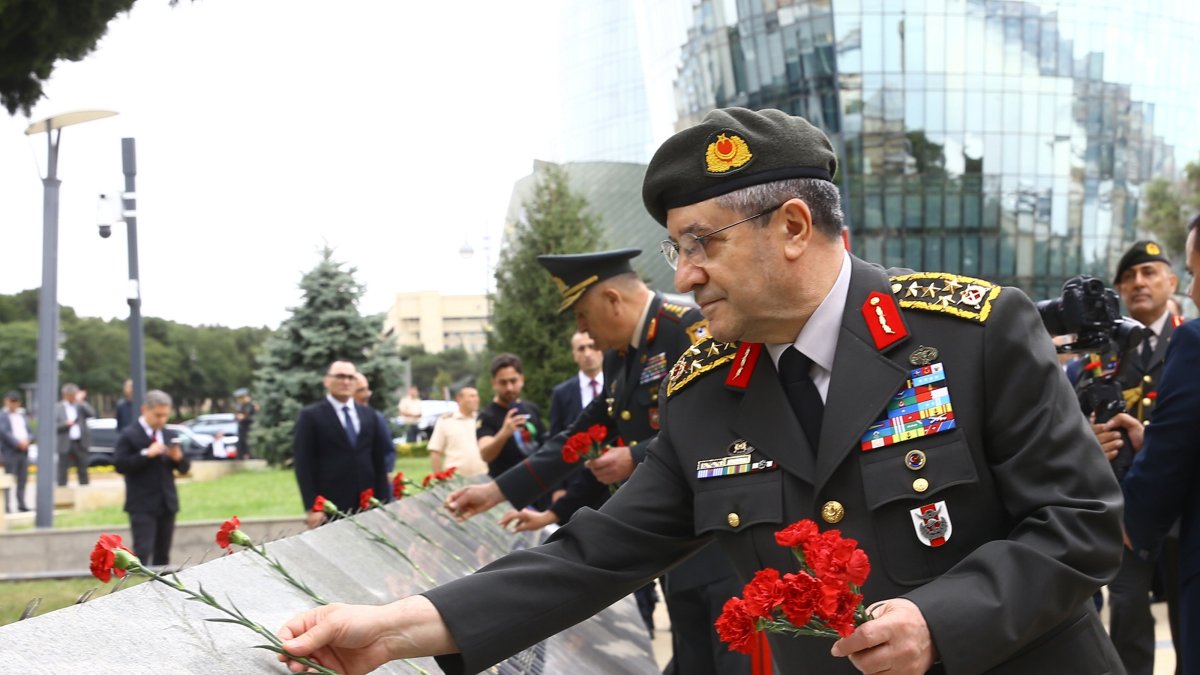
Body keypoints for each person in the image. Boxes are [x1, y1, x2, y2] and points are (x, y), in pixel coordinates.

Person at [278, 108, 1124, 675]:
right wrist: (390, 631)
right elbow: (594, 554)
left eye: (699, 244)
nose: (683, 276)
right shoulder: (707, 391)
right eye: (674, 249)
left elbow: (1082, 525)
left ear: (793, 227)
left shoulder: (971, 334)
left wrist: (944, 620)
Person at [492, 249, 745, 671]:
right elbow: (582, 432)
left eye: (582, 316)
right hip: (673, 544)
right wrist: (496, 491)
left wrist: (635, 455)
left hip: (720, 541)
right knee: (694, 656)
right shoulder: (619, 357)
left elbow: (729, 420)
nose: (583, 332)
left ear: (613, 299)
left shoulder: (688, 328)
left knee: (731, 661)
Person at [1088, 239, 1184, 675]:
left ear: (1173, 281)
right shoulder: (1101, 355)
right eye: (1129, 277)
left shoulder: (1190, 340)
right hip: (1124, 507)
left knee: (1189, 616)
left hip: (1185, 509)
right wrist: (1086, 438)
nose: (1138, 283)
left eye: (1149, 273)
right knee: (1127, 612)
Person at [1121, 213, 1200, 674]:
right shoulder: (1108, 350)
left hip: (1160, 513)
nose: (1193, 290)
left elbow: (1170, 456)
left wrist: (1135, 515)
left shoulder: (1189, 340)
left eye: (1193, 271)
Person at [293, 361, 391, 528]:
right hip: (330, 507)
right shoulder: (310, 416)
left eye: (350, 377)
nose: (346, 381)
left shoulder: (369, 415)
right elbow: (303, 464)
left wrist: (384, 502)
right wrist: (312, 506)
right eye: (340, 376)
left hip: (368, 504)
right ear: (326, 381)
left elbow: (378, 462)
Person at [112, 389, 190, 567]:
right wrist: (147, 453)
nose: (162, 420)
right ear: (144, 410)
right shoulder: (129, 434)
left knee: (163, 555)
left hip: (166, 502)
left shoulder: (169, 434)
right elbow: (120, 464)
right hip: (142, 504)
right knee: (142, 552)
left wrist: (178, 459)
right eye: (157, 415)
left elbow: (185, 468)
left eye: (165, 416)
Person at [476, 354, 546, 482]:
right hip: (504, 490)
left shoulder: (532, 409)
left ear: (522, 379)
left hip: (537, 485)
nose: (509, 388)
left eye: (513, 381)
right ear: (493, 383)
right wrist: (504, 433)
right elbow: (485, 454)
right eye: (503, 382)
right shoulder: (487, 416)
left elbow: (544, 444)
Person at [548, 331, 604, 437]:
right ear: (574, 355)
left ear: (601, 349)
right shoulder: (561, 394)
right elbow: (555, 436)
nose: (587, 354)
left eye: (592, 346)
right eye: (581, 349)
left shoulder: (617, 384)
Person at [427, 386, 486, 477]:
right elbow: (435, 451)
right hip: (456, 478)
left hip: (483, 477)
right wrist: (439, 478)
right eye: (471, 396)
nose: (476, 399)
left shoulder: (483, 421)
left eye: (476, 396)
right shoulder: (446, 421)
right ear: (459, 399)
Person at [353, 373, 396, 474]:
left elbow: (388, 451)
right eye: (360, 390)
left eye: (366, 389)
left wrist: (384, 473)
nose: (366, 395)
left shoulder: (376, 417)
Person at [55, 383, 95, 487]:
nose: (73, 397)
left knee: (83, 469)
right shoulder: (57, 408)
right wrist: (65, 424)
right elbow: (52, 426)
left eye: (75, 394)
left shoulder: (80, 406)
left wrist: (81, 402)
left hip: (80, 442)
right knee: (62, 470)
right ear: (65, 395)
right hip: (65, 443)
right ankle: (62, 493)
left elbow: (91, 414)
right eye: (72, 395)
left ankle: (84, 492)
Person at [0, 391, 32, 512]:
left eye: (16, 401)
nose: (13, 404)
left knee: (22, 480)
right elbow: (4, 432)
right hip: (10, 452)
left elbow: (30, 431)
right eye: (11, 401)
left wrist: (28, 440)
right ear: (6, 401)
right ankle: (6, 507)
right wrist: (18, 443)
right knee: (8, 480)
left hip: (24, 451)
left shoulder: (22, 415)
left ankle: (22, 504)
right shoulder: (2, 415)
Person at [234, 387, 256, 460]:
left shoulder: (252, 405)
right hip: (242, 427)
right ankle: (241, 456)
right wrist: (238, 416)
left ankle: (249, 456)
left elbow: (253, 416)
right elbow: (236, 415)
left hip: (249, 427)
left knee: (248, 443)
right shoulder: (240, 405)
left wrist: (244, 417)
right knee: (241, 443)